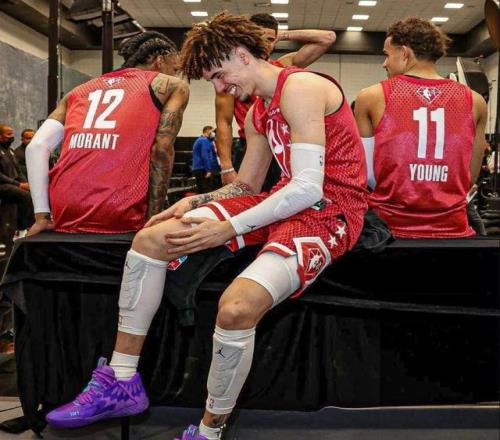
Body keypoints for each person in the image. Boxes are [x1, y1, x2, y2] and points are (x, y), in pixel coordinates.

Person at [45, 12, 367, 438]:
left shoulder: (302, 86)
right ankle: (121, 379)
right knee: (151, 239)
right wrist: (195, 200)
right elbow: (247, 185)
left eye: (219, 75)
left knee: (236, 308)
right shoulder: (257, 112)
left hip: (329, 208)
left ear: (242, 54)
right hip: (280, 198)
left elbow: (308, 188)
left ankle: (209, 431)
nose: (219, 89)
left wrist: (227, 228)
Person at [26, 31, 189, 235]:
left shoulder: (78, 91)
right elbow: (161, 150)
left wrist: (42, 217)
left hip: (64, 207)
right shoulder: (170, 85)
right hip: (119, 207)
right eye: (175, 68)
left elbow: (36, 147)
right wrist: (153, 219)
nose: (175, 74)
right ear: (159, 60)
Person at [355, 18, 488, 238]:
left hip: (389, 233)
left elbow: (367, 175)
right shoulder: (475, 101)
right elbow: (469, 177)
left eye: (387, 54)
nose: (384, 63)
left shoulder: (371, 96)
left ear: (404, 53)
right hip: (452, 230)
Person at [215, 13, 336, 188]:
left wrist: (283, 35)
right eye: (260, 38)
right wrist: (226, 167)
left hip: (283, 145)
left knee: (289, 199)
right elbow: (223, 122)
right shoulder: (231, 77)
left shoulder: (283, 66)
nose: (265, 44)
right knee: (247, 198)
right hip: (251, 147)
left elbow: (327, 38)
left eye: (270, 39)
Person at [0, 123, 33, 234]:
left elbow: (18, 171)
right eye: (8, 134)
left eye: (12, 134)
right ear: (1, 136)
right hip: (3, 184)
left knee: (33, 192)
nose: (12, 136)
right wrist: (19, 185)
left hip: (12, 184)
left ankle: (32, 225)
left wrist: (25, 183)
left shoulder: (10, 151)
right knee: (25, 196)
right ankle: (21, 229)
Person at [192, 125, 220, 193]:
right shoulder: (204, 140)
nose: (214, 134)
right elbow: (205, 156)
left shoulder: (201, 140)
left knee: (201, 190)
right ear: (207, 131)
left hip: (199, 168)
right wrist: (208, 170)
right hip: (202, 169)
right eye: (212, 132)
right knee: (205, 190)